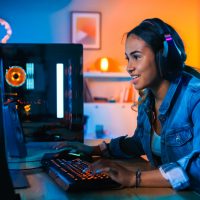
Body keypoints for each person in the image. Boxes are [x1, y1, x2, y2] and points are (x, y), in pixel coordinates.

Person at [55, 18, 200, 193]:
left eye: (136, 57)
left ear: (163, 56)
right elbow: (140, 142)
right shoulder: (147, 99)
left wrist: (134, 178)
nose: (129, 67)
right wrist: (94, 150)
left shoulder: (195, 98)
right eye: (128, 58)